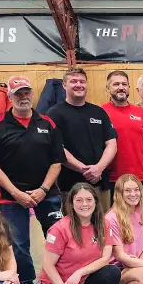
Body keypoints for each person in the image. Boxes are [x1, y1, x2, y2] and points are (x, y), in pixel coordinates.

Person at [0, 75, 63, 284]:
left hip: (47, 195)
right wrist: (16, 192)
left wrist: (43, 189)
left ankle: (57, 283)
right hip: (10, 197)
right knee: (18, 244)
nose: (23, 97)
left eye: (27, 92)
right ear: (9, 97)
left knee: (59, 239)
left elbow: (57, 161)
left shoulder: (47, 123)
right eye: (18, 93)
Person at [37, 183, 123, 284]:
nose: (85, 204)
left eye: (89, 200)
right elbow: (48, 265)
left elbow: (105, 257)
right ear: (71, 203)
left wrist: (79, 273)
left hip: (79, 282)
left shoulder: (103, 224)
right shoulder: (59, 229)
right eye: (79, 200)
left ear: (96, 202)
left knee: (112, 272)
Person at [47, 67, 118, 196]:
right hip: (70, 187)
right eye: (74, 81)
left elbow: (111, 144)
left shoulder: (99, 112)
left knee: (102, 217)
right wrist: (84, 169)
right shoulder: (54, 114)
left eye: (82, 81)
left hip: (101, 184)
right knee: (73, 217)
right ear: (64, 85)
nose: (79, 85)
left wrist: (99, 168)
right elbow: (57, 148)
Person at [101, 71, 143, 191]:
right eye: (116, 84)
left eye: (124, 84)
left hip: (140, 178)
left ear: (129, 87)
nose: (121, 88)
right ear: (108, 88)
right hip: (113, 179)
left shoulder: (140, 112)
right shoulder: (101, 112)